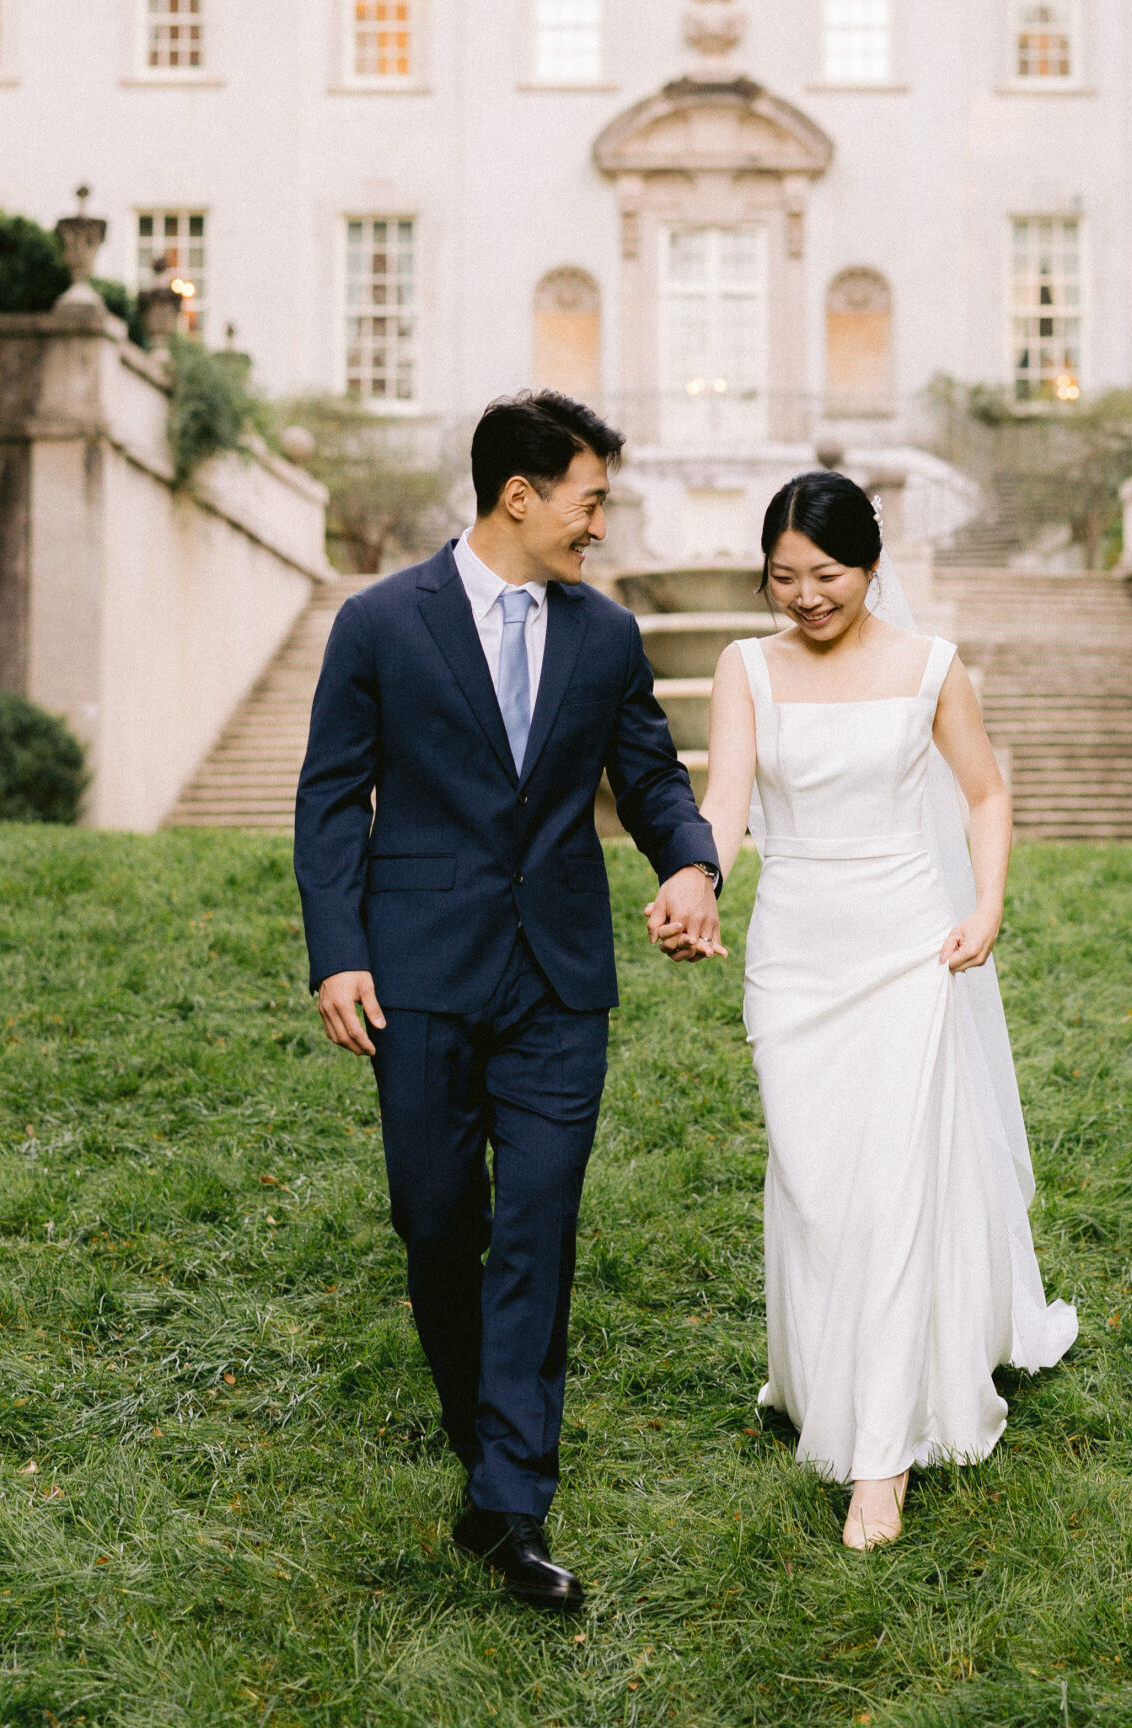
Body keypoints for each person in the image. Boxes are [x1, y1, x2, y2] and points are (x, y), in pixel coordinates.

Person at [293, 392, 721, 1612]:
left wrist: (688, 862)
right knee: (437, 1225)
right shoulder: (378, 623)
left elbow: (648, 773)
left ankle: (508, 1499)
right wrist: (339, 952)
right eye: (589, 498)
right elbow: (332, 800)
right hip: (417, 976)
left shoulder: (608, 634)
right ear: (518, 495)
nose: (601, 522)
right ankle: (483, 1428)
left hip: (559, 983)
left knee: (536, 1227)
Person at [689, 470, 1078, 1549]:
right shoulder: (744, 668)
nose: (804, 597)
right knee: (819, 1183)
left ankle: (883, 1459)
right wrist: (699, 880)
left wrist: (988, 901)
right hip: (797, 955)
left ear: (869, 565)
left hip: (909, 941)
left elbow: (985, 792)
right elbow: (723, 802)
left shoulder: (931, 667)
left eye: (826, 574)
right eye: (782, 577)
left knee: (899, 1180)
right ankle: (823, 1378)